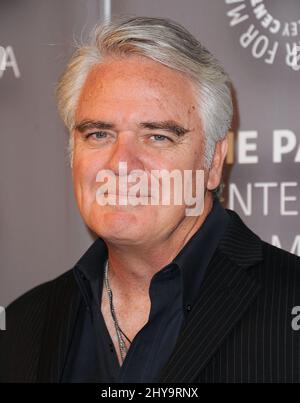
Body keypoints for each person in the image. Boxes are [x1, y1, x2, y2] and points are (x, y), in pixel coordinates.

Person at [0, 16, 299, 383]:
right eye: (98, 134)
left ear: (213, 162)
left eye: (158, 136)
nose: (121, 164)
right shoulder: (22, 325)